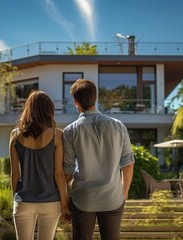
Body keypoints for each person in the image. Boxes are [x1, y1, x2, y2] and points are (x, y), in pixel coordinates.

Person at [63, 79, 135, 240]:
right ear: (95, 98)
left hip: (83, 199)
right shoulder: (118, 126)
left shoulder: (70, 131)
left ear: (76, 102)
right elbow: (128, 165)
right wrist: (123, 193)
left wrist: (66, 200)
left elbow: (66, 173)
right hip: (112, 198)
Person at [9, 90, 70, 240]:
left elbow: (15, 173)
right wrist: (64, 205)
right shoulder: (57, 135)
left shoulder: (15, 135)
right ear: (49, 111)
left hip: (24, 200)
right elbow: (58, 174)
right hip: (51, 202)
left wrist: (15, 198)